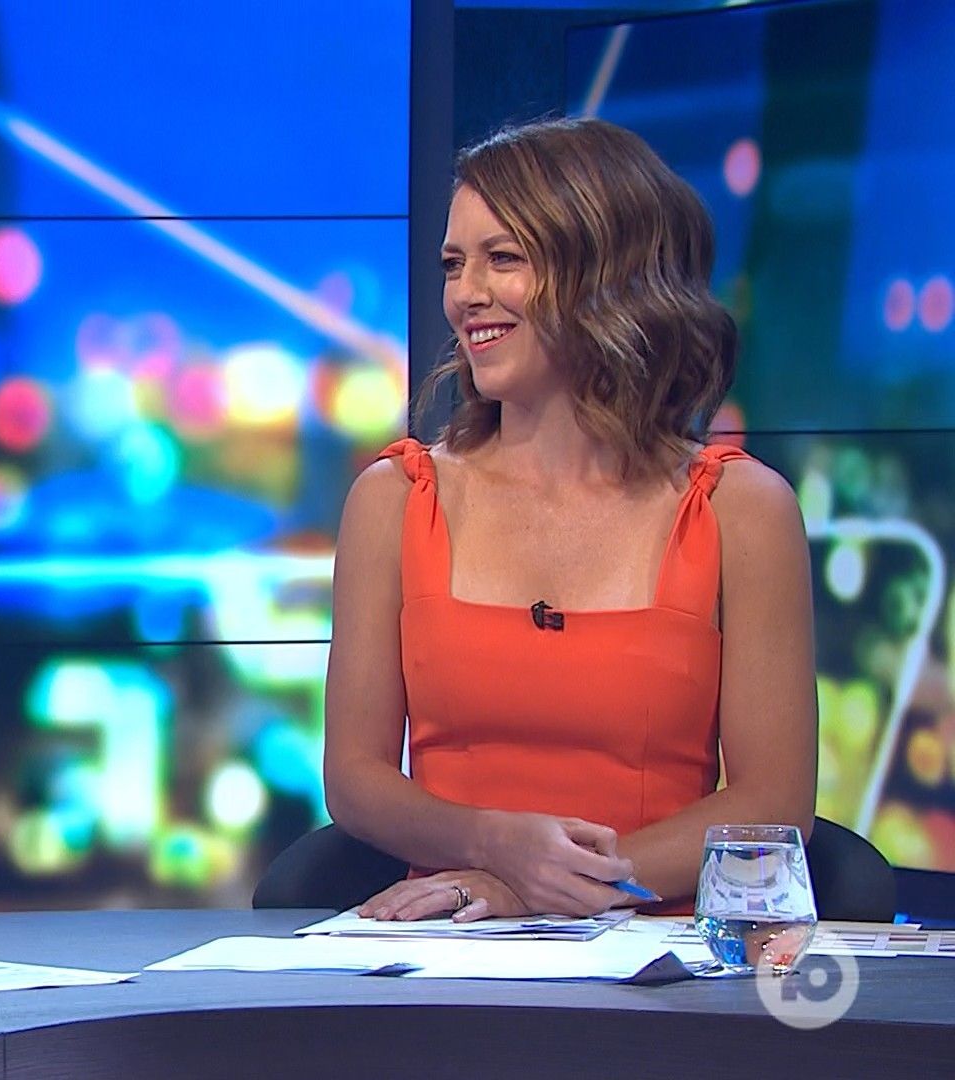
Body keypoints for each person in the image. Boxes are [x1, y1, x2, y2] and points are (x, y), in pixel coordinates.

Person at [321, 117, 817, 921]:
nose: (465, 294)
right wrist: (491, 844)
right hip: (450, 943)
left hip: (658, 954)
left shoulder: (740, 511)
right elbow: (355, 778)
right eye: (453, 263)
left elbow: (774, 802)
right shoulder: (395, 499)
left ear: (604, 272)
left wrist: (547, 888)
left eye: (503, 258)